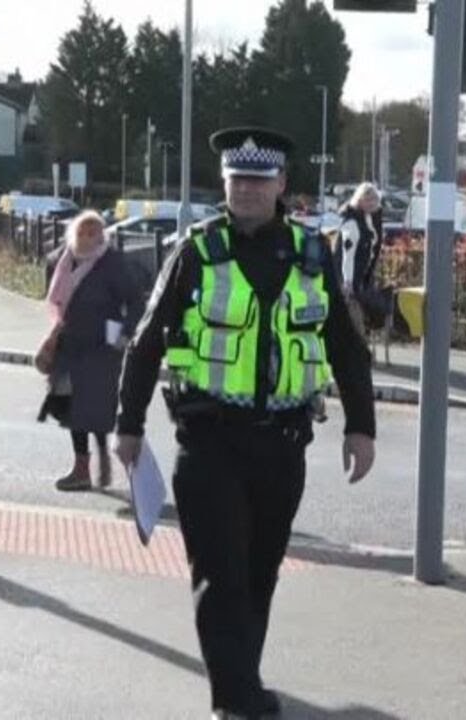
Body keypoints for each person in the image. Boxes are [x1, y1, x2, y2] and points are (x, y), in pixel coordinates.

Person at [115, 127, 377, 719]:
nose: (249, 190)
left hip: (282, 444)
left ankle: (242, 683)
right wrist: (126, 424)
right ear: (225, 184)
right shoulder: (196, 250)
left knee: (259, 573)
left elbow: (345, 343)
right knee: (220, 575)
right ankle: (236, 703)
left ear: (281, 184)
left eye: (260, 180)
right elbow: (147, 340)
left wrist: (362, 426)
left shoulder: (313, 254)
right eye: (238, 180)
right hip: (208, 440)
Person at [36, 210, 144, 491]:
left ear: (102, 236)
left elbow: (136, 302)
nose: (87, 238)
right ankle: (82, 466)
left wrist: (122, 334)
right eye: (82, 232)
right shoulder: (62, 259)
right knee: (69, 407)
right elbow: (56, 300)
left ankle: (103, 464)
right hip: (69, 345)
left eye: (93, 233)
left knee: (96, 409)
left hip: (101, 349)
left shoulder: (112, 263)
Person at [335, 182, 386, 335]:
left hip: (362, 279)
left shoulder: (368, 219)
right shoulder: (351, 223)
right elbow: (347, 255)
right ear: (359, 200)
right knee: (354, 323)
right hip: (351, 281)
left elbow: (373, 248)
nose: (372, 203)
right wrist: (348, 282)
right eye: (368, 199)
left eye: (374, 200)